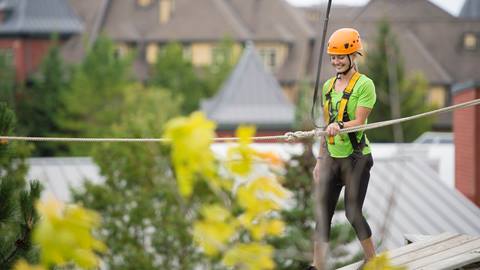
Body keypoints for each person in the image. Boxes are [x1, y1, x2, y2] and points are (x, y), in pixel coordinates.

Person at [309, 28, 377, 269]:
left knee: (352, 213)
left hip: (357, 158)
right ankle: (317, 266)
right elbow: (325, 126)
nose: (336, 62)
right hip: (332, 158)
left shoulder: (364, 85)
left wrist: (339, 125)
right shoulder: (328, 87)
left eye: (341, 56)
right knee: (322, 214)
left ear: (353, 56)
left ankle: (372, 260)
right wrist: (319, 159)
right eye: (333, 57)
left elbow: (359, 121)